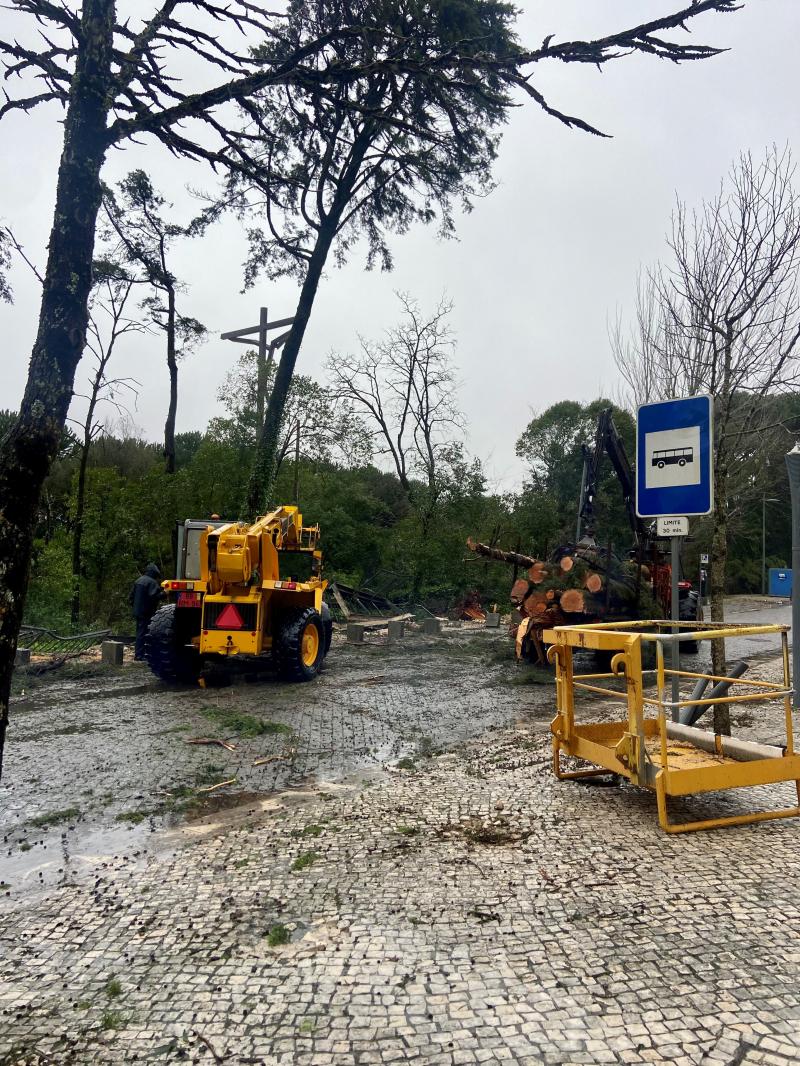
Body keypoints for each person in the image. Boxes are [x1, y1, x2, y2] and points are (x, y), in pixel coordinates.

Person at [130, 563, 163, 661]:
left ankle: (140, 654)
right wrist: (164, 593)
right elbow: (154, 597)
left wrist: (136, 607)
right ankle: (140, 655)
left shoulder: (138, 580)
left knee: (140, 632)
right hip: (147, 612)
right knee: (144, 633)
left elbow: (131, 597)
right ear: (154, 573)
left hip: (138, 611)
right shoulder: (152, 582)